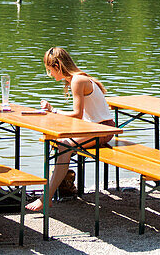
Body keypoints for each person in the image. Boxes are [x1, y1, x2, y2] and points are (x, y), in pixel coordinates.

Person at [25, 47, 115, 212]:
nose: (50, 75)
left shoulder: (77, 81)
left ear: (58, 66)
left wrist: (53, 111)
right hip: (94, 128)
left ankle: (47, 197)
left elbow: (77, 115)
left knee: (64, 146)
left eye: (50, 70)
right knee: (58, 143)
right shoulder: (77, 79)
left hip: (103, 130)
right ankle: (60, 186)